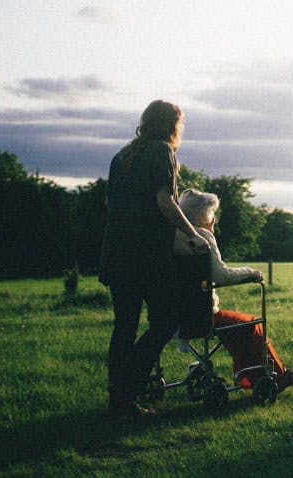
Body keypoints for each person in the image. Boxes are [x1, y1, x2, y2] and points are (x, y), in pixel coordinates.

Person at [99, 100, 208, 417]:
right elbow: (165, 201)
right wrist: (193, 233)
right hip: (145, 257)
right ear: (173, 125)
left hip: (116, 252)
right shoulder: (162, 152)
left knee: (125, 326)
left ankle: (119, 397)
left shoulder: (122, 156)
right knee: (166, 321)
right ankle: (127, 386)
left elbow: (111, 203)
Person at [174, 188, 293, 391]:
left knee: (236, 326)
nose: (215, 219)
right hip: (201, 315)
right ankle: (277, 376)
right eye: (213, 214)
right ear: (203, 215)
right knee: (251, 324)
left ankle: (249, 376)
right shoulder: (203, 237)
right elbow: (221, 276)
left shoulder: (174, 237)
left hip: (175, 315)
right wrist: (251, 273)